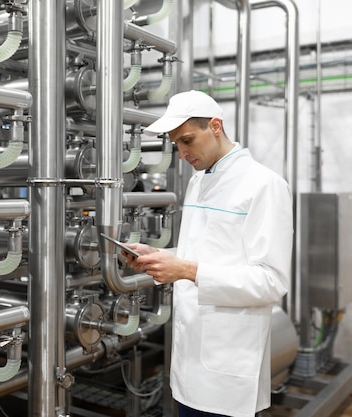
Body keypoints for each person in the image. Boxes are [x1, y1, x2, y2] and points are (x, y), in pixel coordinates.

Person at [124, 90, 293, 417]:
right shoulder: (199, 182)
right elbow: (203, 252)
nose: (183, 152)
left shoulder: (264, 185)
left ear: (215, 125)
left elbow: (271, 281)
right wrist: (158, 255)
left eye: (188, 140)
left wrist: (185, 270)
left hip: (228, 362)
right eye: (177, 145)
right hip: (188, 357)